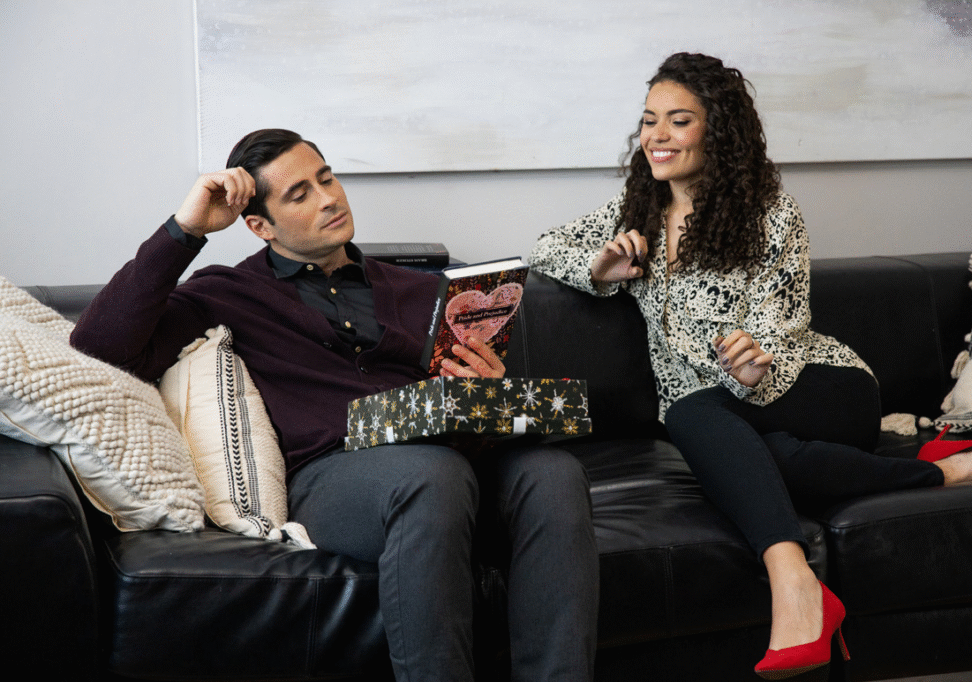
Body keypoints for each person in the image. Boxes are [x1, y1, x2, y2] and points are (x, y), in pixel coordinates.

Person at [529, 52, 972, 680]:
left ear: (718, 130)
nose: (657, 136)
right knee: (738, 444)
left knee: (692, 416)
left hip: (821, 389)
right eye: (650, 120)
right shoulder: (635, 214)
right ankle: (939, 473)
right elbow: (544, 248)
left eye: (679, 120)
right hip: (719, 418)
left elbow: (781, 326)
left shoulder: (770, 213)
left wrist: (756, 369)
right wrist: (599, 270)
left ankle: (792, 579)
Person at [70, 129, 599, 682]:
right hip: (336, 476)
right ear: (260, 225)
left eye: (327, 178)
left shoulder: (424, 291)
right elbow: (99, 347)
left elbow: (457, 404)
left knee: (553, 473)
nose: (329, 199)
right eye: (299, 194)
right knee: (431, 474)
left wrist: (485, 388)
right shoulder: (225, 293)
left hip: (451, 457)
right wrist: (186, 230)